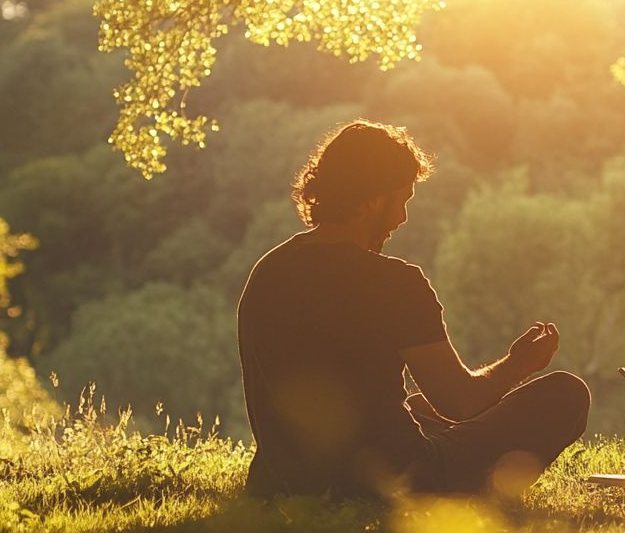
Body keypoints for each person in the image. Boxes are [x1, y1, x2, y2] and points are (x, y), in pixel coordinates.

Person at [237, 119, 590, 499]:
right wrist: (520, 362)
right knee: (566, 394)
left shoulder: (269, 270)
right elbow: (460, 401)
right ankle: (476, 495)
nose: (402, 218)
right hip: (392, 480)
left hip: (282, 480)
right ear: (372, 199)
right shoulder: (394, 282)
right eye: (401, 200)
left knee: (420, 408)